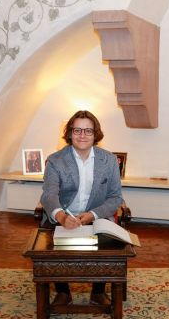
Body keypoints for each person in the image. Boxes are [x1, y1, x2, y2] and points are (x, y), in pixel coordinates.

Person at [40, 110, 123, 306]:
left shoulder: (109, 160)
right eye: (77, 130)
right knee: (51, 246)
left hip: (96, 217)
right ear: (70, 133)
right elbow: (49, 194)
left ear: (96, 134)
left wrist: (92, 215)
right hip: (63, 216)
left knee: (106, 245)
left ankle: (98, 291)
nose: (82, 135)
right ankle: (63, 291)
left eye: (88, 131)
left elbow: (115, 197)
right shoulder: (55, 160)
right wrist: (61, 216)